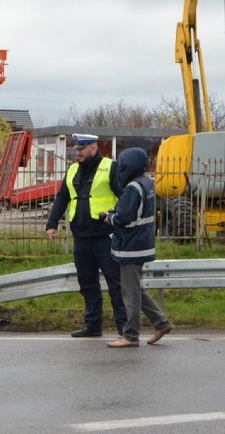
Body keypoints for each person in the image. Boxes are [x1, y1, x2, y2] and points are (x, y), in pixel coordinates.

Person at [46, 133, 127, 338]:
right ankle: (93, 325)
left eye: (81, 149)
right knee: (87, 282)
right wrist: (52, 223)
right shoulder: (73, 169)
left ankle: (125, 328)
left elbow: (125, 197)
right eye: (76, 149)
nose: (77, 153)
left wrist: (116, 217)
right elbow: (62, 197)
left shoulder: (110, 167)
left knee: (115, 282)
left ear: (93, 148)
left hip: (104, 235)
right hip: (81, 235)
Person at [101, 147, 173, 348]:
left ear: (129, 166)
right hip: (142, 245)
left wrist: (109, 217)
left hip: (130, 247)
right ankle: (161, 323)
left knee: (130, 293)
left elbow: (124, 217)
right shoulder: (147, 183)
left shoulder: (133, 187)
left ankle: (131, 335)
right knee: (135, 289)